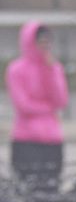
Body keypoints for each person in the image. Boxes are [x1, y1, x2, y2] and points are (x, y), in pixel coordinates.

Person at [5, 22, 68, 192]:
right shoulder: (16, 69)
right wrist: (48, 109)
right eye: (41, 41)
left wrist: (51, 72)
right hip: (26, 140)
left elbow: (61, 101)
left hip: (52, 140)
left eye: (48, 41)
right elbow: (23, 105)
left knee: (51, 191)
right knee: (27, 193)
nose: (45, 45)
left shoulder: (54, 68)